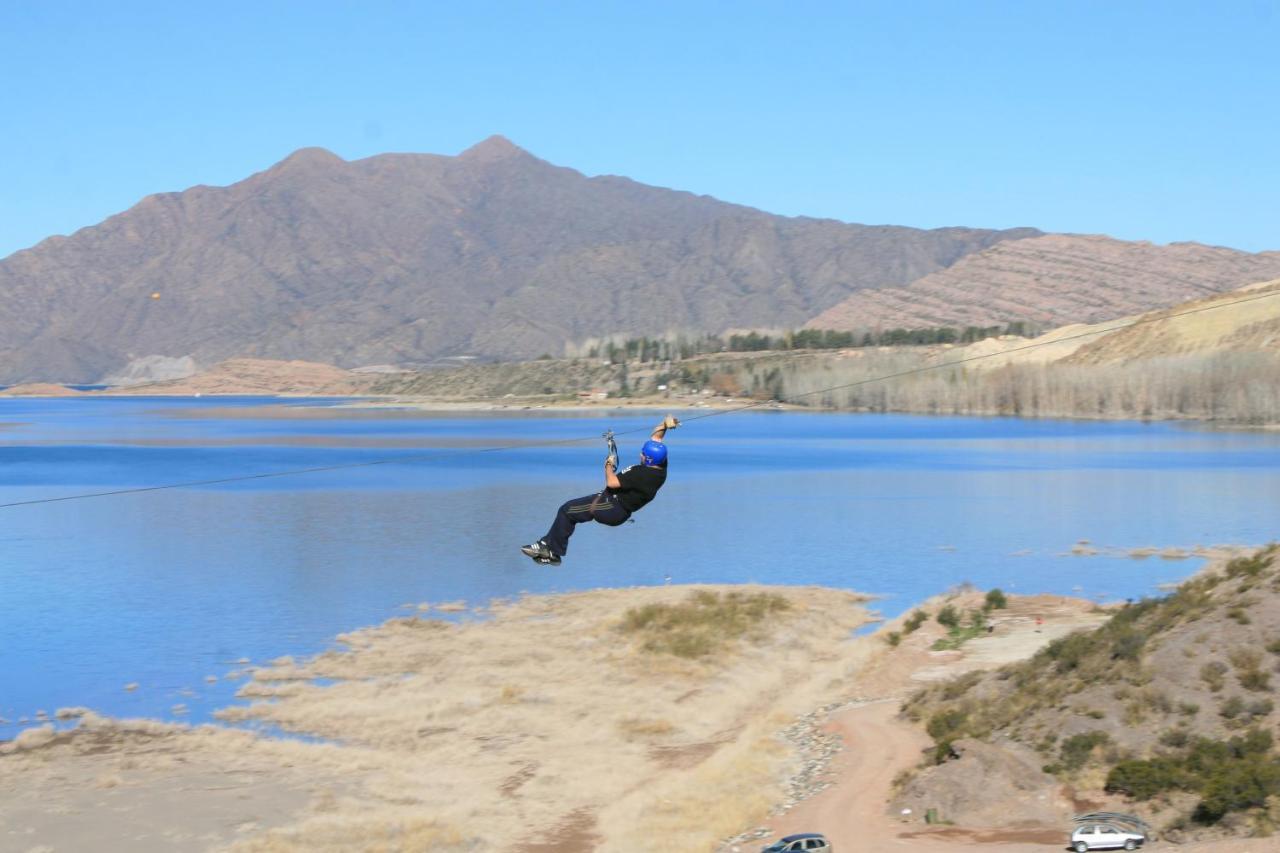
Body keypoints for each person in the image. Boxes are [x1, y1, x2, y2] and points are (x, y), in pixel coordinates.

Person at [521, 415, 679, 565]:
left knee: (567, 510)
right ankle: (549, 548)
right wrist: (664, 424)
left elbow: (611, 482)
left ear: (649, 459)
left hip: (611, 509)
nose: (640, 454)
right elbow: (656, 439)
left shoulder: (642, 474)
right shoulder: (661, 465)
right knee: (569, 510)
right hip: (612, 503)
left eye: (643, 454)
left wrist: (608, 465)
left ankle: (550, 551)